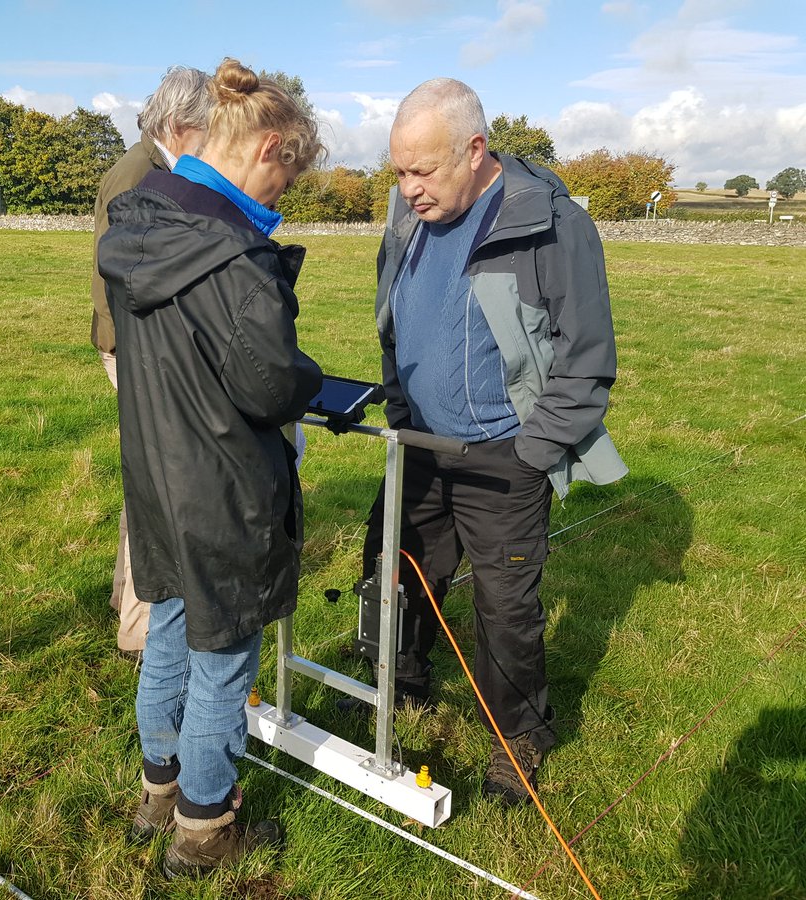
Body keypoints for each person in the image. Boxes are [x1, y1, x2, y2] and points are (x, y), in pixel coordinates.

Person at [361, 78, 627, 805]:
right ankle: (400, 682)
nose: (408, 189)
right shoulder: (408, 216)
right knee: (395, 570)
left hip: (503, 458)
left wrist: (531, 453)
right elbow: (392, 313)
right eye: (399, 172)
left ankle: (519, 739)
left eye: (424, 170)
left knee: (505, 608)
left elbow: (588, 358)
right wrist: (397, 400)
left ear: (475, 151)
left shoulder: (551, 224)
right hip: (416, 443)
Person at [98, 58, 324, 877]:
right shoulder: (232, 256)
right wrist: (309, 379)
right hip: (223, 482)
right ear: (268, 148)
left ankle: (156, 790)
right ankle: (203, 828)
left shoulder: (141, 219)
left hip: (156, 471)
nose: (283, 196)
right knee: (223, 655)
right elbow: (267, 384)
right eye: (288, 174)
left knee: (165, 626)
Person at [90, 66, 213, 662]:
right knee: (158, 485)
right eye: (207, 128)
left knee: (147, 478)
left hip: (134, 345)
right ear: (179, 124)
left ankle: (127, 601)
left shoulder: (148, 165)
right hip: (138, 349)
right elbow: (121, 274)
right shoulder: (143, 173)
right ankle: (141, 631)